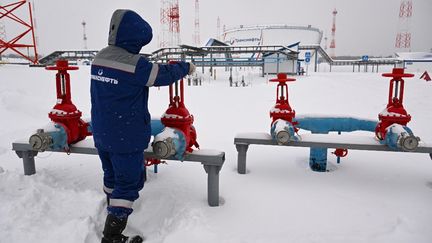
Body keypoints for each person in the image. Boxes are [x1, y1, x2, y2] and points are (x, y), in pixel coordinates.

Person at [90, 9, 195, 243]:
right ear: (135, 38)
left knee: (112, 177)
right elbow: (162, 75)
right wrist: (185, 68)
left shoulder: (100, 57)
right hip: (125, 137)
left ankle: (111, 208)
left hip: (102, 133)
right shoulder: (135, 64)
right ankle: (112, 235)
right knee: (127, 185)